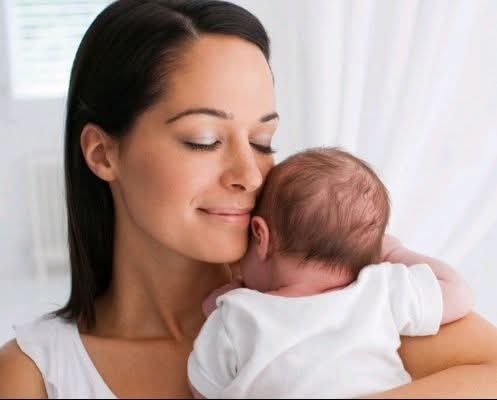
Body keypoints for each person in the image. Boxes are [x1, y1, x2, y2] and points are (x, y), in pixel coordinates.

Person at [0, 1, 497, 398]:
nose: (250, 174)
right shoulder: (35, 373)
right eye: (203, 140)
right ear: (102, 153)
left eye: (263, 142)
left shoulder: (338, 287)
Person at [188, 147, 474, 398]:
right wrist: (394, 253)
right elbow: (457, 293)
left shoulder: (236, 314)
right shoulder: (377, 290)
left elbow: (202, 387)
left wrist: (218, 308)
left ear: (260, 236)